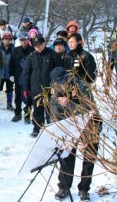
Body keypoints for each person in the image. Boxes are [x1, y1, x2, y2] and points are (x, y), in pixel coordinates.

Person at [49, 67, 100, 202]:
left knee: (89, 159)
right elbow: (54, 115)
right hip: (70, 128)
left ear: (68, 78)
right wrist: (57, 131)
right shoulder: (55, 92)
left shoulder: (82, 86)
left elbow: (89, 109)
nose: (60, 86)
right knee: (66, 157)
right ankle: (64, 187)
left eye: (62, 82)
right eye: (57, 83)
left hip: (90, 126)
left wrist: (69, 104)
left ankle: (84, 189)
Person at [23, 36, 63, 138]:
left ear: (44, 43)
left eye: (40, 45)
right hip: (36, 87)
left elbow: (60, 72)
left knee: (51, 110)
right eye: (36, 45)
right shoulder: (31, 56)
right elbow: (26, 73)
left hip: (51, 88)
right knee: (37, 110)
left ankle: (51, 129)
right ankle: (37, 128)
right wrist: (26, 88)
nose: (38, 47)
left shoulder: (53, 55)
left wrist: (59, 87)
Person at [9, 32, 35, 123]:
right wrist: (11, 75)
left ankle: (27, 114)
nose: (23, 42)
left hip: (30, 77)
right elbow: (11, 64)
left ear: (28, 40)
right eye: (21, 40)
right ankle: (17, 113)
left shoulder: (33, 50)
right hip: (18, 76)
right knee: (18, 96)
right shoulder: (15, 51)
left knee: (28, 96)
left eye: (25, 39)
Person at [0, 32, 15, 111]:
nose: (7, 41)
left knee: (10, 89)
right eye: (6, 39)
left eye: (9, 39)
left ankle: (9, 103)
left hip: (9, 73)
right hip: (0, 73)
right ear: (3, 40)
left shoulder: (14, 50)